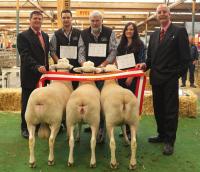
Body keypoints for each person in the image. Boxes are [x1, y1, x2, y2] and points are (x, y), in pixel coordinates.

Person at [136, 4, 190, 155]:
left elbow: (185, 58)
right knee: (158, 108)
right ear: (156, 15)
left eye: (164, 12)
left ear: (169, 14)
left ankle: (169, 141)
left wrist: (175, 76)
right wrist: (145, 64)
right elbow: (151, 58)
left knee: (170, 111)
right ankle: (161, 134)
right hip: (156, 78)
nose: (162, 14)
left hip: (170, 79)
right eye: (159, 12)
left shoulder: (179, 31)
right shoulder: (154, 35)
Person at [78, 10, 117, 142]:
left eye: (97, 20)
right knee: (88, 98)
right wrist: (85, 65)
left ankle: (101, 128)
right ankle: (92, 123)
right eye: (92, 20)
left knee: (101, 99)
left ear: (102, 21)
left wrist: (104, 64)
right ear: (90, 21)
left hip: (103, 72)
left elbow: (113, 51)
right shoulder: (83, 33)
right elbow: (81, 52)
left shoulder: (110, 32)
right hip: (88, 73)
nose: (95, 23)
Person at [17, 11, 49, 139]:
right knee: (27, 102)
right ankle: (25, 128)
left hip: (43, 76)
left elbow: (45, 55)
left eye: (39, 19)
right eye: (35, 18)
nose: (37, 21)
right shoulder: (23, 36)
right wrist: (37, 66)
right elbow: (25, 55)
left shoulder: (45, 36)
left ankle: (39, 124)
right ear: (30, 20)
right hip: (30, 75)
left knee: (42, 102)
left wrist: (47, 67)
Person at [117, 22, 146, 139]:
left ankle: (131, 131)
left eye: (132, 29)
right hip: (121, 78)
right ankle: (125, 129)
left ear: (135, 31)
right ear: (124, 31)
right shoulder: (121, 45)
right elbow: (118, 60)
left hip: (132, 78)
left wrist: (132, 76)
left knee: (130, 105)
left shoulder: (140, 44)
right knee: (122, 104)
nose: (129, 31)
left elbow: (141, 62)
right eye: (127, 29)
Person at [50, 9, 81, 90]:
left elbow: (82, 50)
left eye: (68, 17)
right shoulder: (56, 34)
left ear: (71, 18)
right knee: (60, 91)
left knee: (74, 91)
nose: (66, 20)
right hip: (61, 70)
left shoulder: (79, 33)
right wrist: (59, 63)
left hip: (75, 69)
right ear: (61, 19)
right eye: (64, 18)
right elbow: (52, 51)